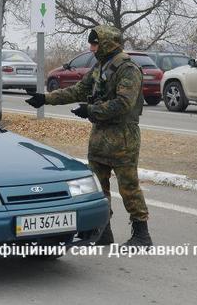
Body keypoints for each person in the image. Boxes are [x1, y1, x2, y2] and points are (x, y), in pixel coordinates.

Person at [27, 25, 150, 247]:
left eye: (95, 43)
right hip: (100, 136)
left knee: (128, 187)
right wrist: (45, 99)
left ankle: (142, 235)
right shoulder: (100, 66)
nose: (91, 48)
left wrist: (90, 110)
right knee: (98, 187)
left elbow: (124, 103)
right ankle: (103, 231)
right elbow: (78, 90)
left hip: (123, 137)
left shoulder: (128, 69)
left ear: (107, 44)